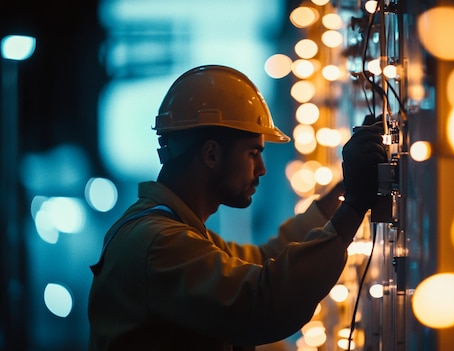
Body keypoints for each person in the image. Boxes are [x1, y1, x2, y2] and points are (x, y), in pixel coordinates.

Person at [87, 65, 387, 350]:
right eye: (253, 153)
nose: (262, 169)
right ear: (212, 154)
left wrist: (346, 188)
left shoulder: (168, 233)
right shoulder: (158, 244)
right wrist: (355, 206)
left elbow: (262, 261)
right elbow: (262, 302)